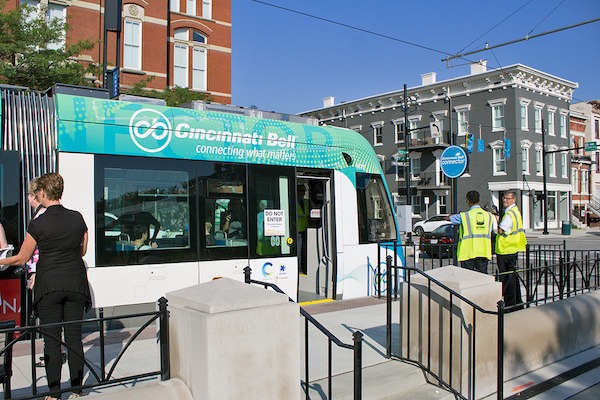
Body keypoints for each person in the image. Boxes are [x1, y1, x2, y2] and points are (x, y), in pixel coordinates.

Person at [0, 173, 90, 399]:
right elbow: (83, 250)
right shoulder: (78, 218)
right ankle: (77, 388)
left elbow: (22, 258)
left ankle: (55, 393)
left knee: (51, 339)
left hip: (49, 284)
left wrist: (0, 259)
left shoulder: (38, 223)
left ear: (42, 193)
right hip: (76, 283)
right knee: (74, 336)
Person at [448, 190, 495, 274]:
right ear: (479, 200)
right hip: (484, 251)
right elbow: (490, 230)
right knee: (482, 277)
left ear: (468, 201)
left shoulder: (465, 216)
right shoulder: (489, 215)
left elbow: (450, 218)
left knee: (468, 278)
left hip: (468, 251)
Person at [495, 190, 527, 309]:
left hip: (505, 250)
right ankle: (516, 301)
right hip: (511, 248)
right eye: (504, 198)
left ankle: (510, 303)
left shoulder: (509, 214)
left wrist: (497, 220)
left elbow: (501, 230)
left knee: (507, 278)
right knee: (512, 276)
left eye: (507, 198)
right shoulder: (515, 212)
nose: (504, 200)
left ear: (514, 199)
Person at [26, 177, 47, 289]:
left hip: (39, 270)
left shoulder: (40, 216)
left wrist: (35, 272)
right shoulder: (43, 213)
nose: (28, 198)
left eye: (29, 194)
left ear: (34, 195)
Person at [297, 184, 309, 275]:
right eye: (300, 191)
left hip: (307, 230)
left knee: (304, 250)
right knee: (298, 250)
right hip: (297, 230)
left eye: (303, 191)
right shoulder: (292, 201)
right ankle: (299, 268)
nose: (302, 193)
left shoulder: (307, 202)